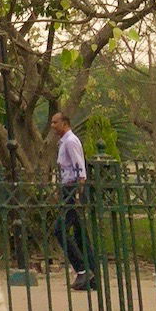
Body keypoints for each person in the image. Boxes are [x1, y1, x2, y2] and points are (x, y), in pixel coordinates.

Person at [51, 111, 99, 291]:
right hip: (67, 188)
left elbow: (80, 167)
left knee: (60, 229)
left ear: (64, 123)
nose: (52, 126)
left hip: (73, 189)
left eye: (55, 122)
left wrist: (78, 192)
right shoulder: (64, 142)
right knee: (80, 233)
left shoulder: (70, 142)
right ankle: (93, 275)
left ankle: (81, 269)